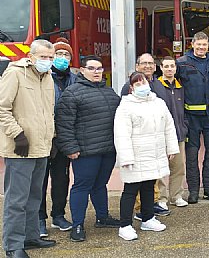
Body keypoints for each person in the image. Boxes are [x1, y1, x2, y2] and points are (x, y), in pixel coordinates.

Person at [55, 55, 122, 242]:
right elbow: (64, 124)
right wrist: (70, 147)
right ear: (82, 71)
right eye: (92, 68)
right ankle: (77, 225)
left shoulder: (109, 92)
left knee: (100, 185)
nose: (96, 72)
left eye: (99, 69)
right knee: (81, 187)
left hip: (107, 150)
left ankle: (103, 217)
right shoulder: (72, 93)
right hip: (85, 152)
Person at [0, 39, 57, 257]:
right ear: (31, 56)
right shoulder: (15, 74)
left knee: (35, 197)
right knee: (16, 200)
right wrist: (17, 134)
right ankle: (13, 245)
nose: (48, 61)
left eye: (50, 57)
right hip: (20, 148)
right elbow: (2, 108)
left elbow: (47, 112)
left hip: (41, 147)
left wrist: (50, 139)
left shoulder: (48, 77)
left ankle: (31, 237)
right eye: (43, 57)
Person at [114, 73, 179, 241]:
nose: (141, 85)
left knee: (149, 187)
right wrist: (126, 157)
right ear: (131, 88)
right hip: (135, 155)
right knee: (130, 190)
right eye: (137, 83)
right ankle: (125, 225)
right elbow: (121, 134)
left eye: (143, 81)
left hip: (154, 154)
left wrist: (171, 147)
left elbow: (169, 127)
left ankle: (148, 218)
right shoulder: (126, 106)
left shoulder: (159, 103)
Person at [176, 32, 209, 204]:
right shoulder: (182, 63)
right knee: (192, 155)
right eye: (199, 44)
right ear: (192, 44)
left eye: (204, 45)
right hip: (191, 117)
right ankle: (193, 191)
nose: (202, 48)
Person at [39, 38, 76, 237]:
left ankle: (58, 215)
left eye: (66, 55)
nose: (62, 58)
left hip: (64, 138)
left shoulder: (74, 79)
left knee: (61, 180)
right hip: (44, 137)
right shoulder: (42, 76)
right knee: (40, 181)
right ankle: (39, 220)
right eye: (58, 54)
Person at [151, 56, 189, 208]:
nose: (169, 69)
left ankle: (176, 195)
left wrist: (184, 126)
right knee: (160, 168)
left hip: (178, 134)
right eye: (166, 66)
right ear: (161, 68)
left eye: (172, 66)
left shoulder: (181, 86)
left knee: (179, 167)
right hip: (161, 135)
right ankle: (161, 198)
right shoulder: (155, 86)